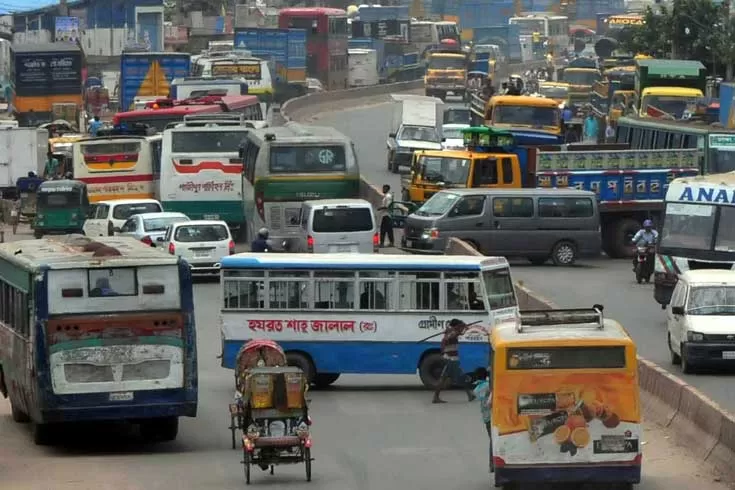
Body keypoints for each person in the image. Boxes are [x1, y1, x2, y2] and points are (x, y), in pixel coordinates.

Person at [433, 319, 476, 404]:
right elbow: (451, 337)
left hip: (450, 358)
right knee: (460, 376)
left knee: (445, 378)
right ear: (456, 326)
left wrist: (464, 327)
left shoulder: (452, 332)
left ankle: (436, 397)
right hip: (451, 359)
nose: (460, 328)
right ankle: (470, 395)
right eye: (459, 326)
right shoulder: (452, 333)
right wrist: (462, 327)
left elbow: (460, 333)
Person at [472, 367, 494, 472]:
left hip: (486, 418)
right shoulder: (487, 386)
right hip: (492, 416)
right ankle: (493, 463)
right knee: (494, 440)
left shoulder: (476, 389)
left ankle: (491, 464)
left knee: (492, 440)